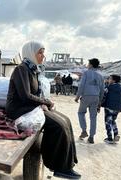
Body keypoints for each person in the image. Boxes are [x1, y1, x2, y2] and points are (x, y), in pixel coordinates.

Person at [6, 41, 80, 179]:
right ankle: (59, 167)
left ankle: (69, 163)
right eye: (40, 52)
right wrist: (45, 102)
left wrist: (42, 103)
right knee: (58, 126)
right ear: (30, 53)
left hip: (30, 106)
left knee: (66, 120)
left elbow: (34, 94)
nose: (43, 56)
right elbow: (25, 95)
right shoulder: (21, 69)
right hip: (19, 109)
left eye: (43, 52)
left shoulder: (32, 69)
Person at [75, 58, 104, 144]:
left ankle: (84, 131)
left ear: (91, 65)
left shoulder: (86, 73)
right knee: (93, 117)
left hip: (86, 96)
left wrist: (77, 97)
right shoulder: (101, 75)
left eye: (88, 63)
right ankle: (91, 137)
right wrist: (100, 102)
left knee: (81, 113)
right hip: (96, 97)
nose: (87, 65)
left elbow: (81, 86)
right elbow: (102, 89)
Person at [101, 75, 121, 144]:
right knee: (113, 121)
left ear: (113, 80)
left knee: (108, 122)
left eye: (110, 79)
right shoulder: (120, 88)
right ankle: (116, 134)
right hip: (117, 108)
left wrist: (100, 104)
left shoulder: (109, 87)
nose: (108, 80)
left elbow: (104, 96)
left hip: (109, 107)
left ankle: (109, 138)